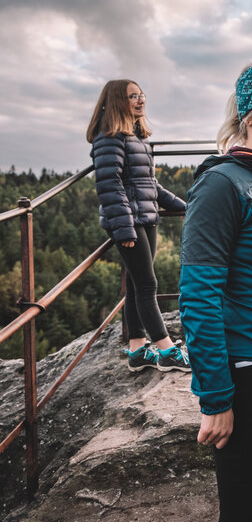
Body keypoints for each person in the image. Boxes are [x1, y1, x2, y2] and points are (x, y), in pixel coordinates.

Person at [87, 79, 189, 373]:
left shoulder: (137, 136)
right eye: (133, 96)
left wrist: (182, 206)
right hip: (129, 221)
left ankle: (137, 350)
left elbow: (149, 185)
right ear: (118, 101)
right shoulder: (109, 138)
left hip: (145, 216)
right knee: (147, 285)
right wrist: (124, 229)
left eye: (142, 95)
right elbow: (109, 185)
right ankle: (167, 350)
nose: (140, 100)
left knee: (135, 284)